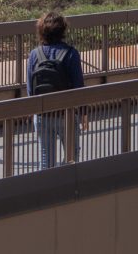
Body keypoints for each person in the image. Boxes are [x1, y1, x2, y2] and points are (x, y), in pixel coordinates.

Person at [27, 12, 86, 169]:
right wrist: (83, 112)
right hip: (65, 114)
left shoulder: (34, 55)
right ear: (63, 31)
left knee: (46, 158)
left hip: (41, 113)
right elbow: (78, 85)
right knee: (72, 156)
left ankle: (46, 190)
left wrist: (34, 112)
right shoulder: (71, 53)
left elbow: (29, 88)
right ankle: (70, 188)